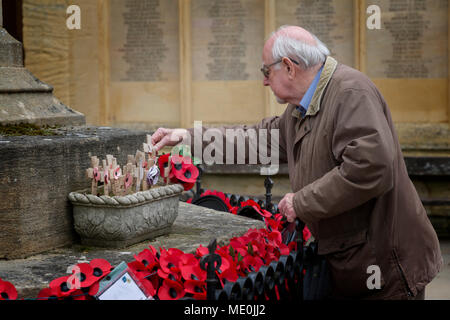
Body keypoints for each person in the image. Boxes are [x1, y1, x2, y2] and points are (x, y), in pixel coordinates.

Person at [151, 25, 443, 299]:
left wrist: (301, 202)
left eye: (267, 70)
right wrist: (187, 138)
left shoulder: (350, 93)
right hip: (353, 259)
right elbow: (256, 140)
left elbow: (370, 167)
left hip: (384, 267)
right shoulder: (302, 107)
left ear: (289, 67)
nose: (264, 80)